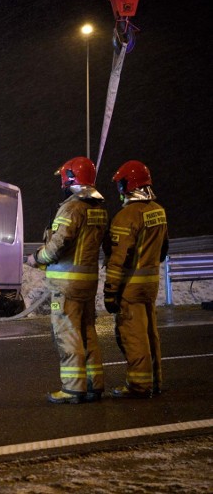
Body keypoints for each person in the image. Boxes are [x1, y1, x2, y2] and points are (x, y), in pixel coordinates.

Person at [27, 157, 108, 404]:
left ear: (70, 179)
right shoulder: (99, 209)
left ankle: (73, 388)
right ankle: (94, 385)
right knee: (87, 332)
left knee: (67, 333)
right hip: (87, 283)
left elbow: (58, 245)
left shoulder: (72, 208)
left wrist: (36, 258)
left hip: (66, 286)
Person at [103, 160, 169, 399]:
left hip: (131, 286)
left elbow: (118, 259)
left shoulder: (126, 216)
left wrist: (110, 292)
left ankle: (139, 385)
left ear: (127, 185)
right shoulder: (158, 211)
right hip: (151, 284)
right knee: (151, 333)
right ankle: (155, 380)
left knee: (133, 335)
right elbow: (163, 250)